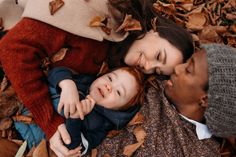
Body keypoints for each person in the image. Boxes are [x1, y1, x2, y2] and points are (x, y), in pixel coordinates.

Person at [0, 0, 193, 156]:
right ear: (153, 28)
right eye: (159, 56)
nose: (148, 67)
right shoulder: (100, 15)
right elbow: (13, 50)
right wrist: (50, 123)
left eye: (157, 71)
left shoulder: (117, 55)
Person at [15, 66, 144, 156]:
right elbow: (54, 73)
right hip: (23, 102)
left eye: (118, 92)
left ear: (118, 110)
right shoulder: (84, 81)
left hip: (28, 139)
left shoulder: (100, 125)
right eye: (110, 78)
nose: (109, 86)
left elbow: (75, 149)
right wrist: (67, 84)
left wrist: (75, 118)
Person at [164, 43, 236, 138]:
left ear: (205, 100)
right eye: (186, 61)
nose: (177, 68)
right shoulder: (157, 79)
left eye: (188, 70)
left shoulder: (193, 151)